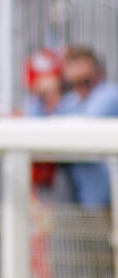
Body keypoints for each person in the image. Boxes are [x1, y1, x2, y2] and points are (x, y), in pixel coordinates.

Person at [55, 47, 118, 208]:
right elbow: (41, 122)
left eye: (85, 81)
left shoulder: (109, 95)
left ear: (99, 74)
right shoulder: (73, 100)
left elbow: (84, 124)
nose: (80, 88)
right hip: (85, 198)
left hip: (108, 200)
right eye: (73, 83)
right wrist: (43, 96)